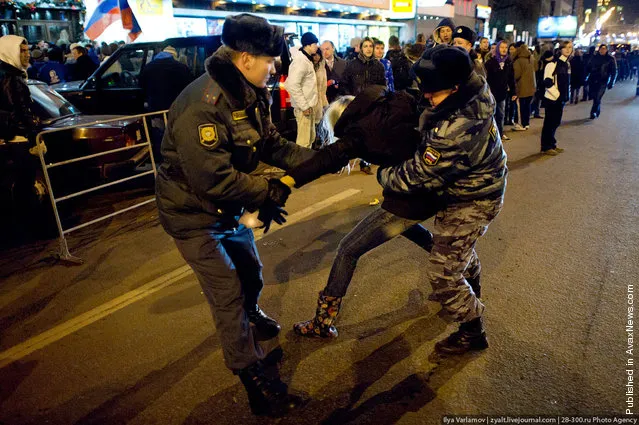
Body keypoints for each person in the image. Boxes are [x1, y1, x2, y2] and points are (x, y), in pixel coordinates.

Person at [292, 45, 507, 355]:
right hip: (460, 188)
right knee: (449, 246)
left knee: (440, 271)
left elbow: (416, 175)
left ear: (455, 87)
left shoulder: (454, 130)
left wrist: (384, 174)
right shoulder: (472, 91)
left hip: (471, 196)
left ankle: (472, 329)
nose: (427, 97)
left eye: (434, 92)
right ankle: (469, 284)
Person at [154, 14, 315, 417]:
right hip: (192, 215)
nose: (275, 66)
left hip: (227, 210)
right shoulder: (202, 106)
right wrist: (270, 191)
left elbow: (271, 145)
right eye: (269, 60)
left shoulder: (248, 90)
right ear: (245, 59)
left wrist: (326, 158)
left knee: (251, 273)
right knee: (227, 292)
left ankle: (251, 314)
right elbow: (214, 179)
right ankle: (253, 377)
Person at [139, 45, 194, 163]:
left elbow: (142, 87)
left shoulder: (149, 67)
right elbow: (190, 88)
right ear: (173, 56)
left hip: (156, 109)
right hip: (176, 109)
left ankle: (163, 161)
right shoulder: (181, 67)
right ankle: (180, 160)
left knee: (160, 135)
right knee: (177, 135)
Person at [342, 36, 386, 175]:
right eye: (365, 46)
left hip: (372, 104)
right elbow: (344, 84)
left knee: (369, 134)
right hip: (355, 104)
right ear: (361, 48)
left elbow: (382, 85)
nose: (368, 49)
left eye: (370, 46)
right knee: (353, 133)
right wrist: (349, 98)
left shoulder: (378, 66)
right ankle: (344, 161)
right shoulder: (352, 65)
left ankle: (365, 162)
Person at [287, 32, 320, 148]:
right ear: (308, 45)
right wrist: (304, 106)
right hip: (304, 108)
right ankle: (302, 165)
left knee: (310, 138)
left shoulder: (306, 59)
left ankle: (308, 164)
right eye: (315, 43)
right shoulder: (300, 61)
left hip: (309, 106)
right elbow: (293, 84)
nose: (317, 46)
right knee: (304, 141)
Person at [540, 40, 572, 156]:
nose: (568, 50)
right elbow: (547, 82)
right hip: (552, 99)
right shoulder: (552, 64)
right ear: (560, 49)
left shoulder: (567, 64)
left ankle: (552, 144)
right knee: (550, 122)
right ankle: (546, 146)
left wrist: (565, 96)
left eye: (570, 47)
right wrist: (557, 95)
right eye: (565, 47)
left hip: (561, 99)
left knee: (556, 122)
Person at [485, 41, 516, 141]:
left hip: (502, 93)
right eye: (501, 47)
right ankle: (490, 135)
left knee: (501, 115)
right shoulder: (490, 62)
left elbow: (511, 78)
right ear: (497, 48)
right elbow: (487, 78)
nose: (504, 49)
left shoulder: (508, 62)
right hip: (491, 93)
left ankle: (500, 134)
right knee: (491, 115)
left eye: (505, 47)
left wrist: (513, 92)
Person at [585, 44, 617, 119]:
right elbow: (588, 68)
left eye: (604, 49)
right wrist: (586, 77)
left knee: (597, 96)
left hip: (603, 80)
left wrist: (612, 82)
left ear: (606, 50)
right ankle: (597, 109)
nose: (602, 50)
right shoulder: (594, 58)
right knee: (594, 96)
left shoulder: (610, 59)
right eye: (601, 49)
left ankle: (593, 112)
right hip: (593, 80)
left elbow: (614, 71)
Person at [512, 42, 536, 131]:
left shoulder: (518, 61)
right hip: (531, 87)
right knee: (527, 106)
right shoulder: (531, 59)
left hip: (521, 88)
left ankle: (521, 124)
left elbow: (516, 75)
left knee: (521, 107)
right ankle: (526, 123)